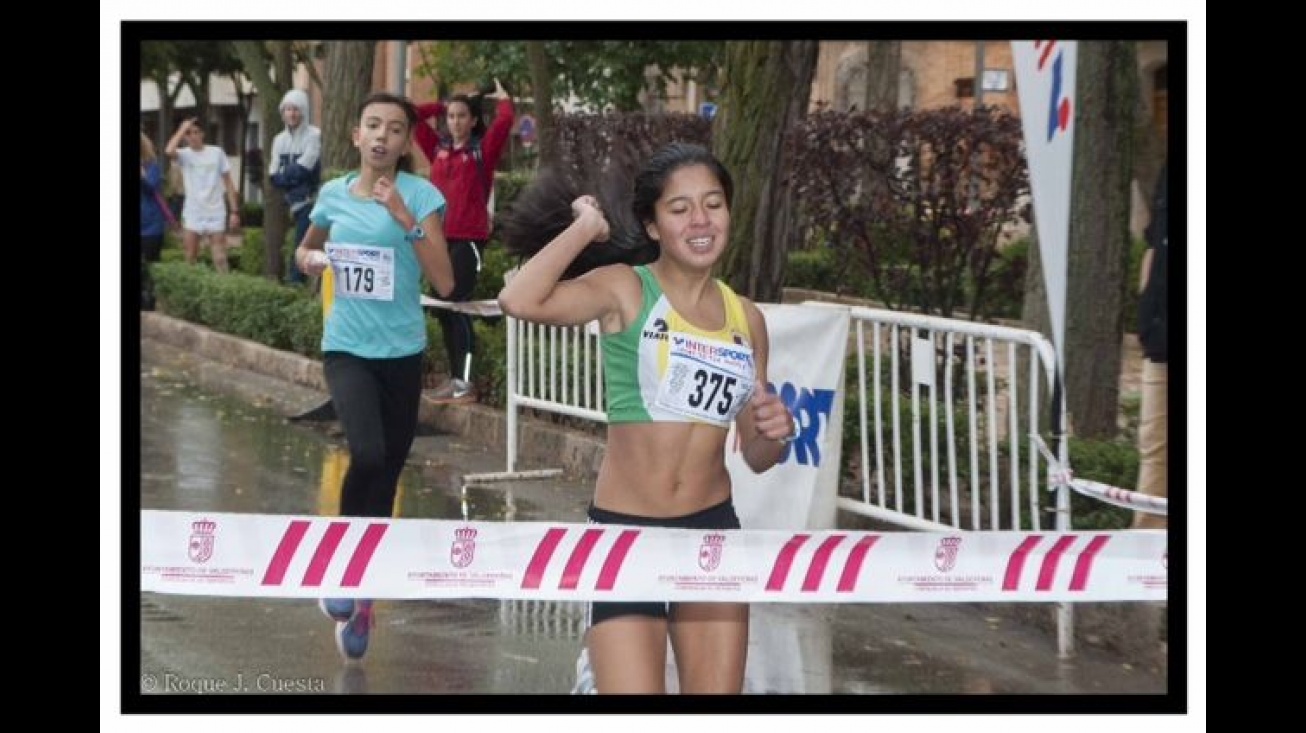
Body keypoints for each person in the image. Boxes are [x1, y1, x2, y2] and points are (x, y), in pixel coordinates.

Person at [497, 143, 799, 693]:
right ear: (653, 225)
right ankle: (598, 673)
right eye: (680, 209)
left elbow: (756, 455)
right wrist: (585, 228)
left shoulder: (746, 317)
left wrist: (778, 432)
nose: (700, 220)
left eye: (713, 204)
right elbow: (519, 300)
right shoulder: (626, 288)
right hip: (624, 534)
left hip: (711, 532)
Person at [294, 92, 456, 661]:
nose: (382, 136)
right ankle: (342, 567)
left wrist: (405, 220)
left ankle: (364, 598)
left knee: (387, 471)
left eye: (394, 128)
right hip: (347, 348)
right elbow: (304, 252)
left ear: (405, 140)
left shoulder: (421, 195)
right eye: (372, 126)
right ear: (357, 137)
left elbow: (445, 283)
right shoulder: (333, 194)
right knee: (365, 453)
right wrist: (311, 261)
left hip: (402, 354)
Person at [414, 79, 514, 403]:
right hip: (438, 241)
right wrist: (441, 105)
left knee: (457, 303)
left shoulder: (481, 151)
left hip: (469, 241)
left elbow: (505, 122)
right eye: (451, 116)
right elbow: (413, 116)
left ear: (472, 121)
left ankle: (465, 383)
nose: (455, 122)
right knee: (444, 310)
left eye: (461, 116)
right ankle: (455, 379)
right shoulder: (438, 150)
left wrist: (503, 100)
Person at [1134, 163, 1168, 530]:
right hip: (1160, 340)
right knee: (1154, 450)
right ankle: (1146, 560)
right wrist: (1146, 303)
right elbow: (1152, 242)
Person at [165, 118, 240, 273]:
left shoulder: (216, 152)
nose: (192, 136)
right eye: (188, 133)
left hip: (215, 211)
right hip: (193, 212)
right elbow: (168, 151)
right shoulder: (184, 155)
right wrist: (181, 129)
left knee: (220, 258)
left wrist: (234, 211)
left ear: (203, 134)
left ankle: (225, 289)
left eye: (195, 132)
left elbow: (229, 183)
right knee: (190, 256)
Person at [270, 88, 323, 284]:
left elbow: (306, 168)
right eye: (288, 109)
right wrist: (289, 177)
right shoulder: (279, 140)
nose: (292, 114)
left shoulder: (314, 135)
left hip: (310, 200)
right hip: (289, 200)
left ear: (304, 111)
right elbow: (273, 176)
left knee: (302, 243)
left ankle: (296, 283)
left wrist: (287, 175)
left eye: (296, 109)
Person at [140, 132, 172, 311]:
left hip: (151, 225)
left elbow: (152, 189)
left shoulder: (152, 166)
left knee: (151, 265)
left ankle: (149, 300)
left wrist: (142, 176)